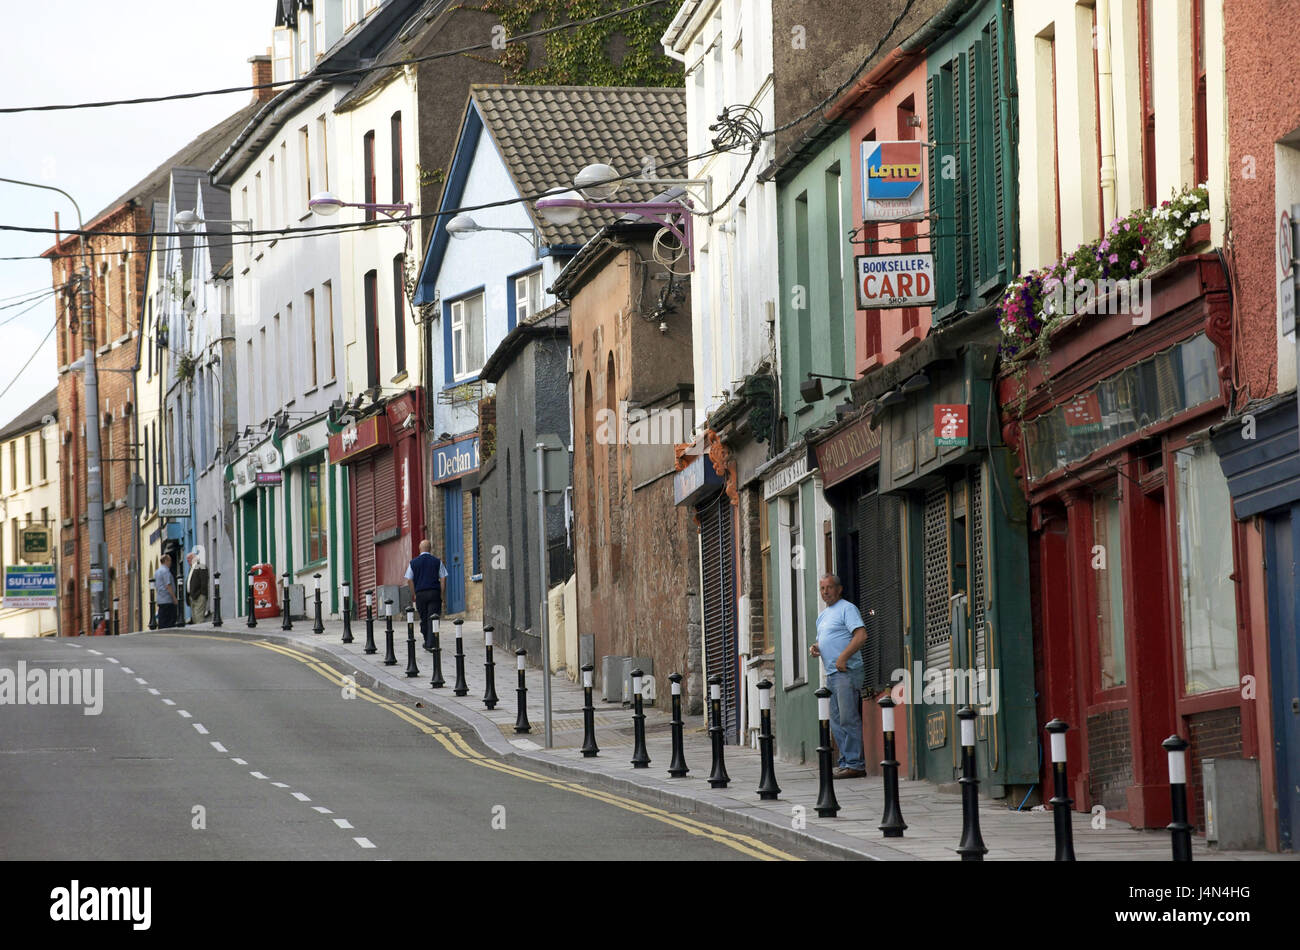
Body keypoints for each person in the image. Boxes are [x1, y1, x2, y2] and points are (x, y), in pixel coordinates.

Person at [809, 573, 869, 778]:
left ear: (839, 589)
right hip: (832, 674)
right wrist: (816, 647)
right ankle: (845, 761)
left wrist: (843, 657)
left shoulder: (847, 608)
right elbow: (827, 639)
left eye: (829, 587)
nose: (825, 592)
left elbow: (861, 635)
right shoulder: (823, 616)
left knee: (847, 718)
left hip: (846, 671)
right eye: (822, 588)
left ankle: (855, 764)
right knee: (835, 720)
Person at [405, 540, 448, 651]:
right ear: (430, 549)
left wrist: (414, 593)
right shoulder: (437, 561)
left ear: (420, 549)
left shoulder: (413, 563)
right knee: (433, 618)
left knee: (424, 618)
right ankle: (431, 642)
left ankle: (427, 640)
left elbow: (409, 580)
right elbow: (443, 578)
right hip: (434, 593)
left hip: (420, 594)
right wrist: (441, 594)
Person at [155, 554, 178, 629]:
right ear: (166, 561)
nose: (171, 562)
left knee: (162, 621)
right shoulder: (165, 571)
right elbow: (168, 585)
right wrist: (174, 598)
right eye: (170, 560)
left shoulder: (157, 572)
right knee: (170, 621)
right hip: (167, 600)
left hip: (160, 600)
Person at [186, 546, 209, 622]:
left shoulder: (201, 566)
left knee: (199, 619)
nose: (187, 561)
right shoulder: (192, 568)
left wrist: (202, 594)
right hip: (192, 597)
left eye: (188, 559)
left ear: (193, 558)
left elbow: (204, 581)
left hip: (199, 596)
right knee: (195, 619)